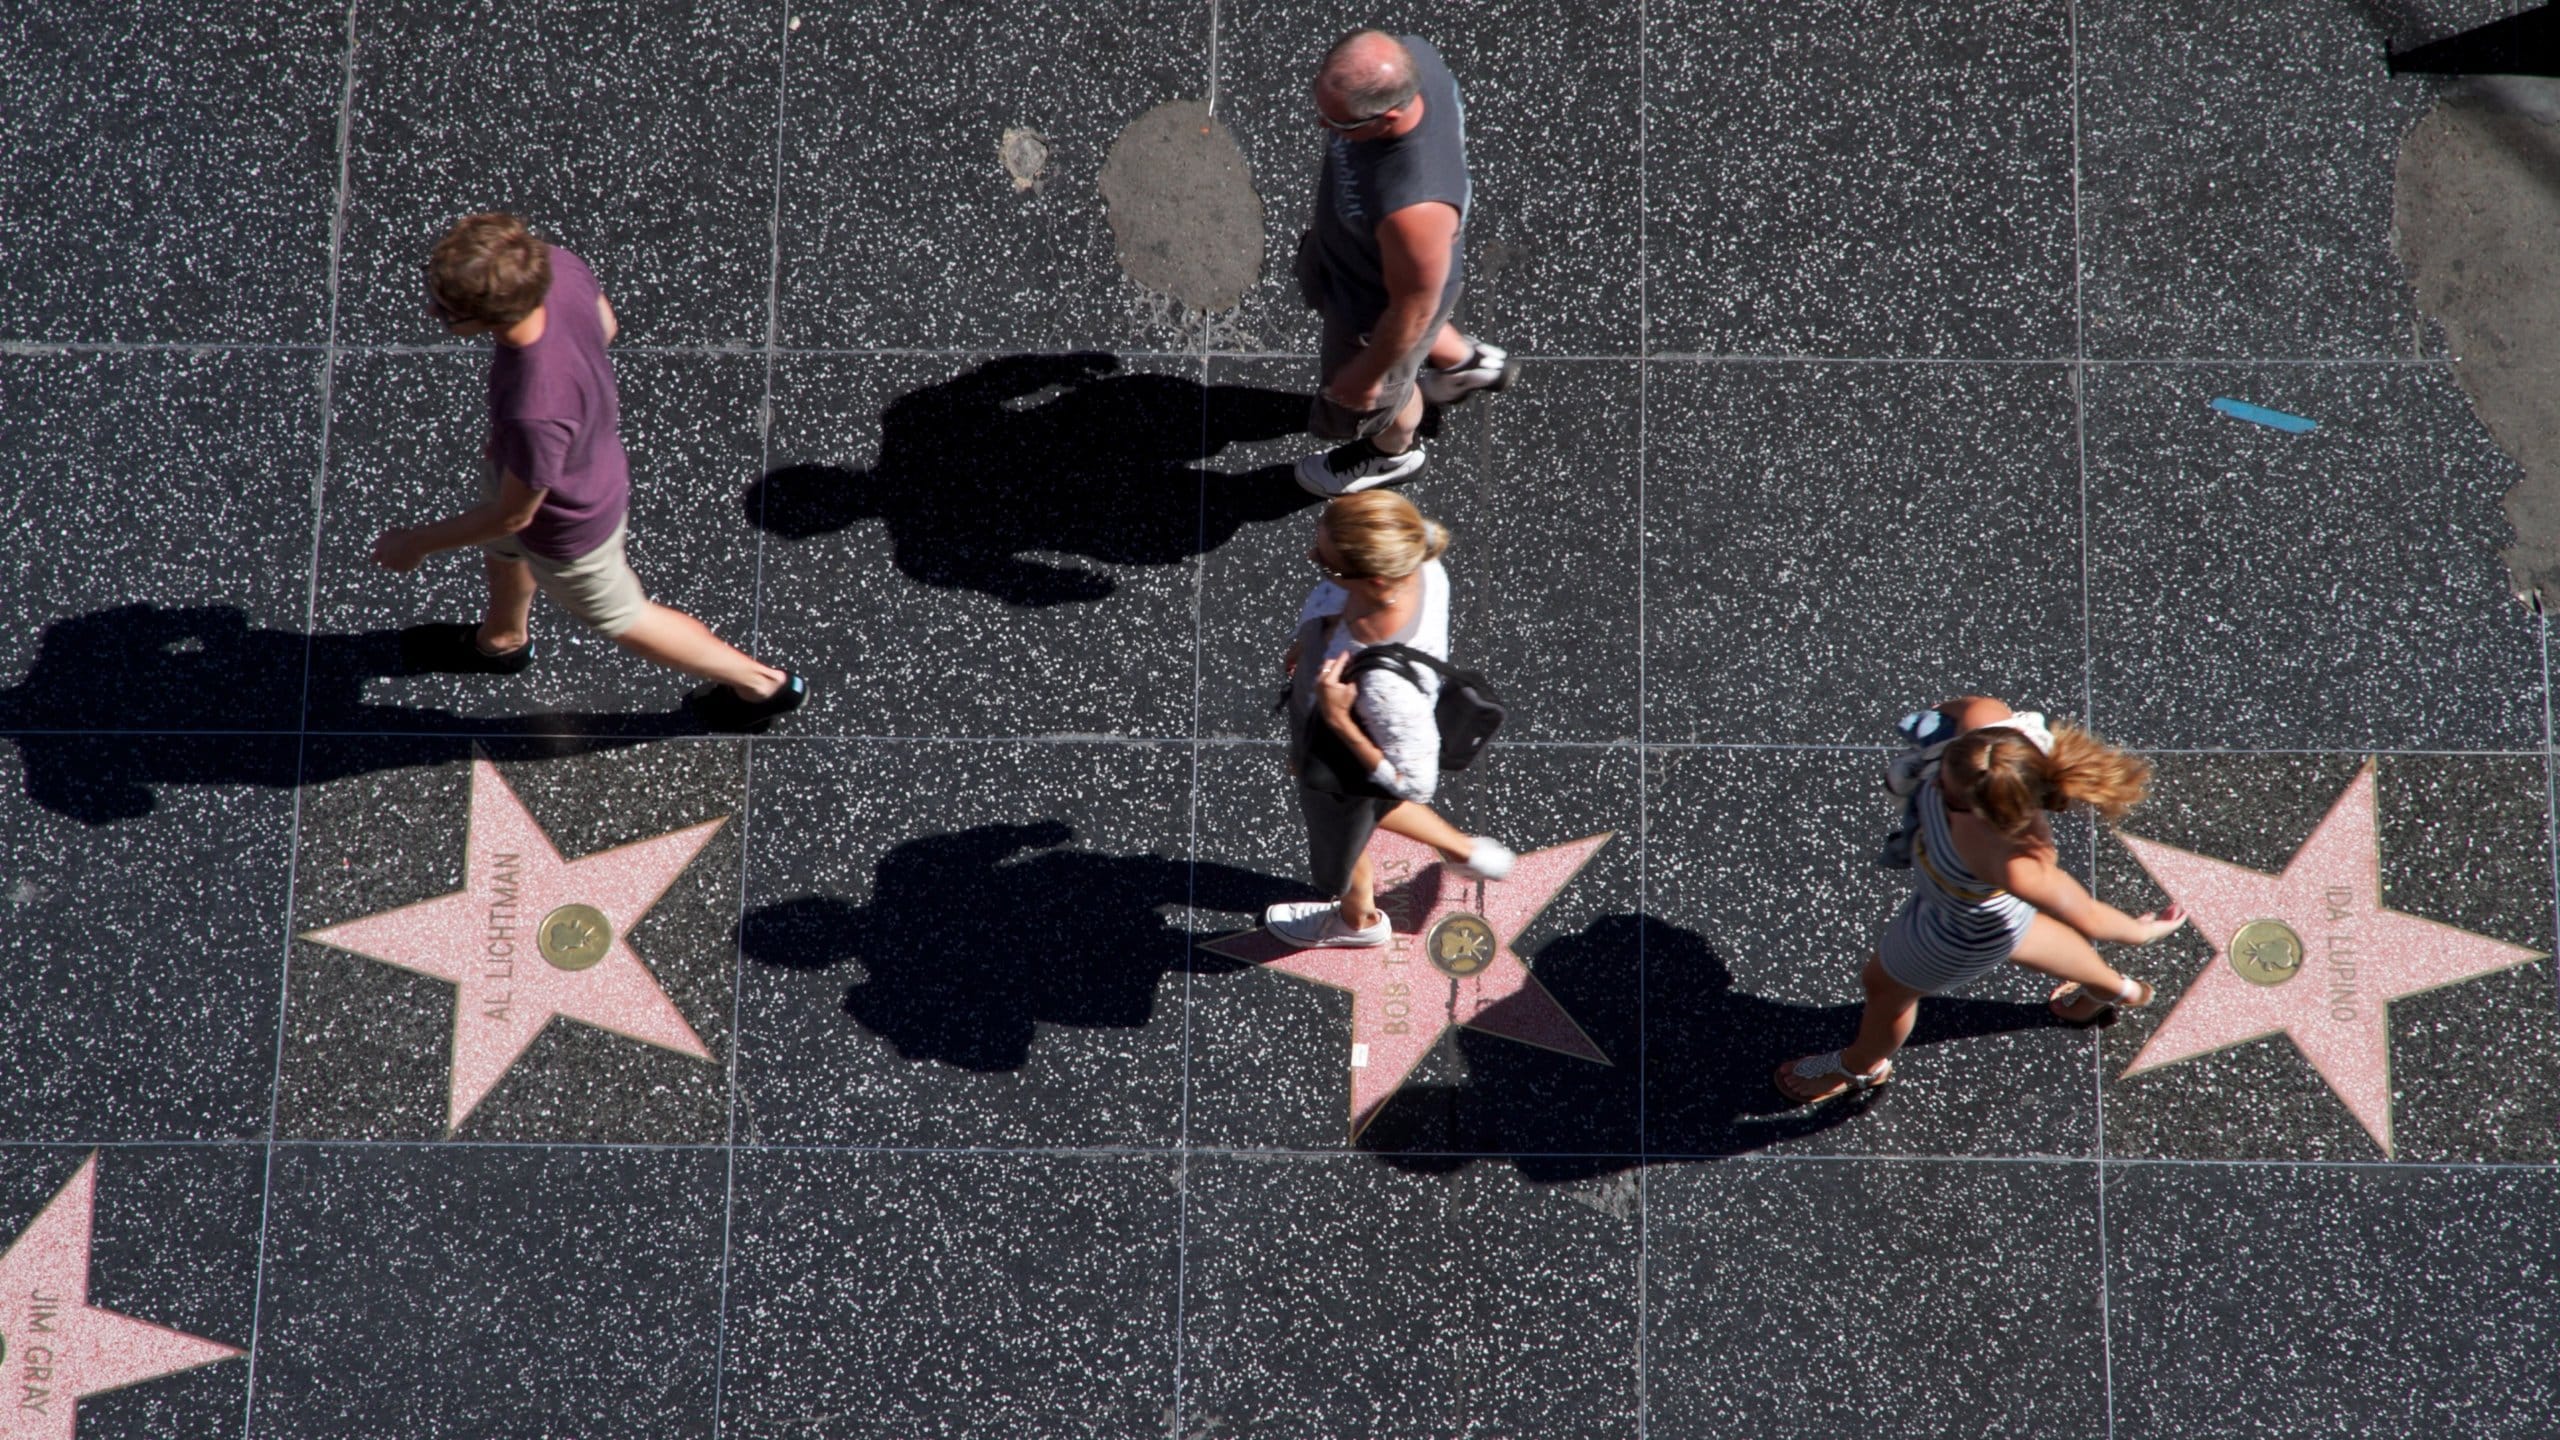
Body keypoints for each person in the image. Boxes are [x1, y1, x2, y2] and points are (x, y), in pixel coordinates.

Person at [371, 212, 806, 731]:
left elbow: (513, 516)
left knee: (622, 615)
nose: (432, 311)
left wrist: (416, 543)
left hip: (566, 523)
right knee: (505, 554)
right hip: (553, 466)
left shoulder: (535, 407)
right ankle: (502, 641)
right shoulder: (554, 266)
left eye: (445, 311)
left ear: (490, 314)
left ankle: (762, 686)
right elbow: (606, 324)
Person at [1774, 696, 2188, 1103]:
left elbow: (2087, 915)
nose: (1934, 781)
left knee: (1885, 990)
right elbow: (1972, 707)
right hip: (1992, 914)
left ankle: (1861, 1065)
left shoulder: (2015, 863)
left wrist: (2142, 932)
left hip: (1949, 933)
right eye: (1943, 764)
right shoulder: (1991, 748)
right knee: (2020, 932)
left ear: (1992, 811)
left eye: (1947, 793)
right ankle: (2116, 990)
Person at [1263, 491, 1514, 948]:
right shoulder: (1421, 563)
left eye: (1328, 565)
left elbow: (1415, 782)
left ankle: (1357, 922)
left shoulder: (1383, 689)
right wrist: (1311, 641)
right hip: (1339, 715)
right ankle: (1467, 852)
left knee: (1345, 828)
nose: (1312, 557)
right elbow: (1340, 611)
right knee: (1371, 811)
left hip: (1348, 748)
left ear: (1376, 582)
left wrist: (1338, 721)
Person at [1292, 29, 1515, 499]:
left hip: (1381, 304)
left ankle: (1393, 453)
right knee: (1420, 321)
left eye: (1340, 125)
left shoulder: (1414, 209)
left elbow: (1413, 310)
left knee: (1384, 396)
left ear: (1389, 117)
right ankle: (1466, 364)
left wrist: (1368, 375)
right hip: (1364, 257)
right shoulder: (1412, 54)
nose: (1321, 127)